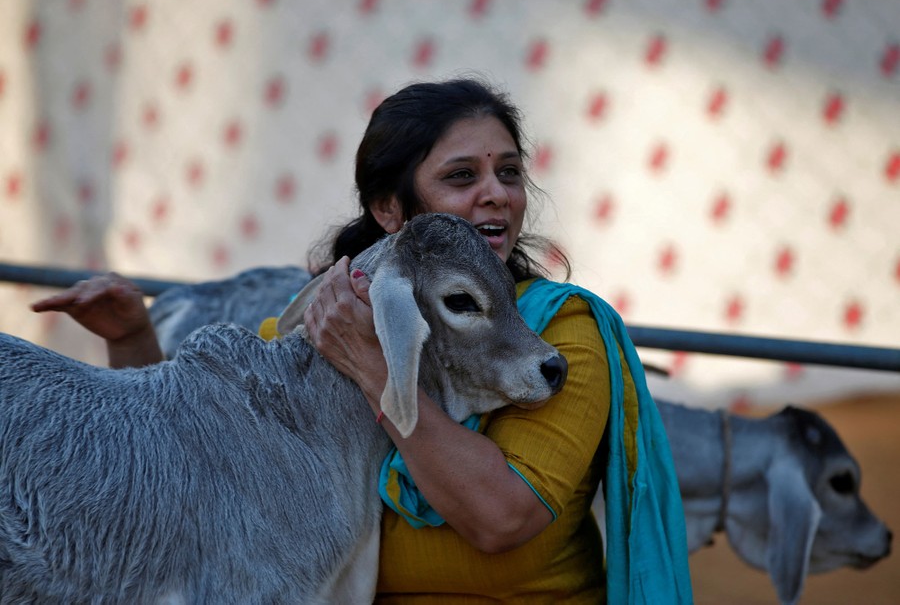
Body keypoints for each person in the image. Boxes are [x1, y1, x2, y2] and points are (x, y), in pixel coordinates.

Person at [32, 77, 692, 603]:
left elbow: (501, 519)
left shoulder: (557, 332)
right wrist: (134, 338)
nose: (496, 195)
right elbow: (193, 459)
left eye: (509, 173)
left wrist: (377, 372)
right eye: (462, 177)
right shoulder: (324, 319)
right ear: (389, 211)